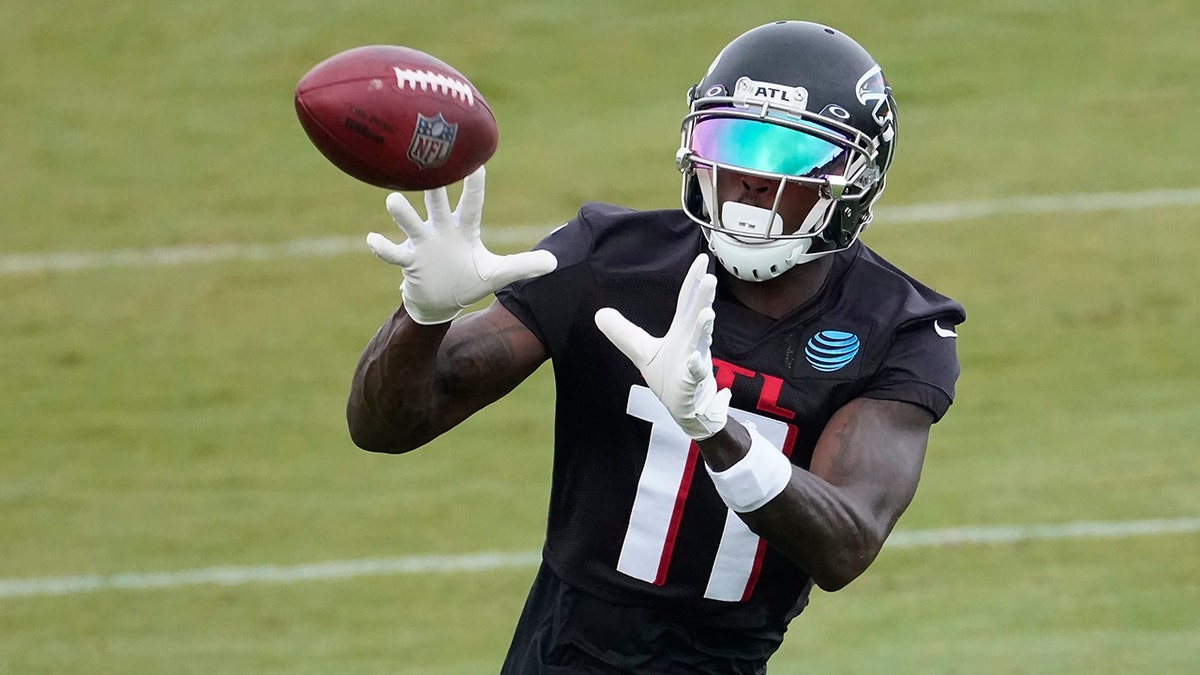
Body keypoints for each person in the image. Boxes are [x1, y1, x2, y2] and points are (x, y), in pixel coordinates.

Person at [346, 20, 965, 674]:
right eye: (732, 140)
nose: (753, 177)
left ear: (855, 179)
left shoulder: (899, 326)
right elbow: (385, 427)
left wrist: (715, 430)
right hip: (556, 653)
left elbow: (846, 544)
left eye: (790, 156)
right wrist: (424, 315)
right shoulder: (609, 260)